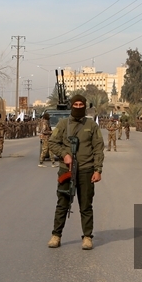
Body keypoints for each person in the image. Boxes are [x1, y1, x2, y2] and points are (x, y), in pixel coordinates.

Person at [47, 94, 104, 250]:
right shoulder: (63, 124)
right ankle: (56, 235)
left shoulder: (91, 125)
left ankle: (87, 237)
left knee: (86, 205)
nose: (78, 107)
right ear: (71, 105)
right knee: (62, 204)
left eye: (81, 104)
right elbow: (52, 142)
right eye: (76, 104)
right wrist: (64, 154)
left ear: (85, 106)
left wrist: (98, 169)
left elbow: (98, 148)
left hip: (86, 170)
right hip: (67, 170)